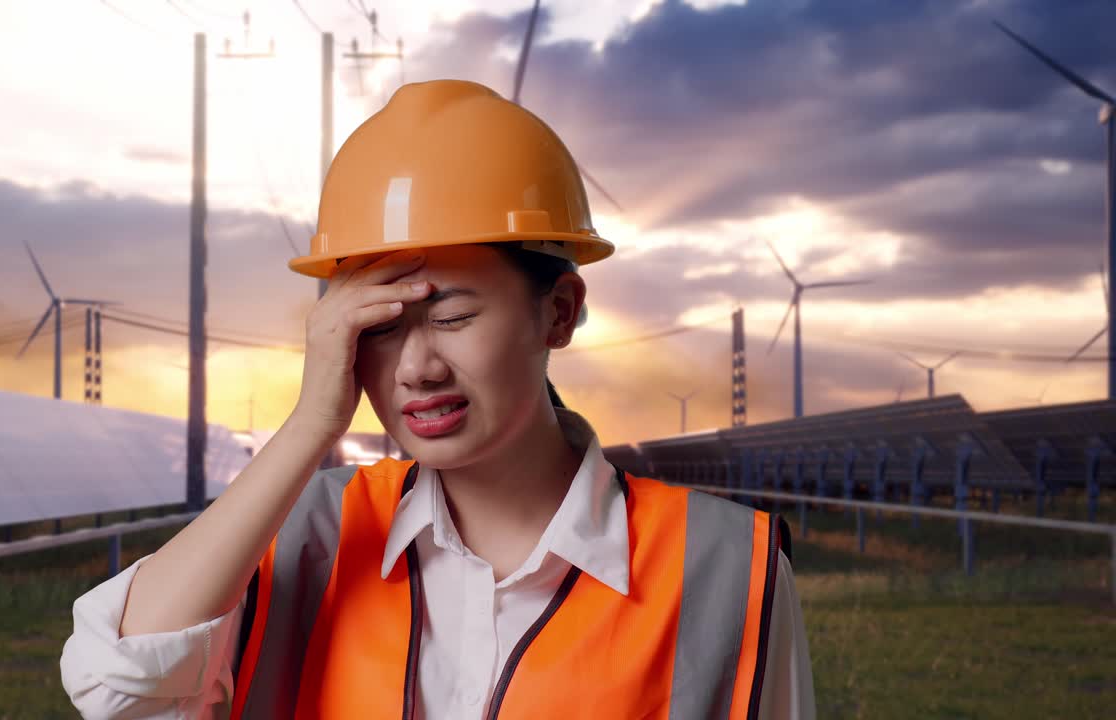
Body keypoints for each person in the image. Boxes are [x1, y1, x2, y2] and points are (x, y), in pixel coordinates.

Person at [60, 78, 815, 719]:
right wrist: (308, 426)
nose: (416, 368)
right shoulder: (307, 535)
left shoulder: (724, 567)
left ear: (558, 312)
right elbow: (115, 684)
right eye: (380, 327)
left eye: (452, 316)